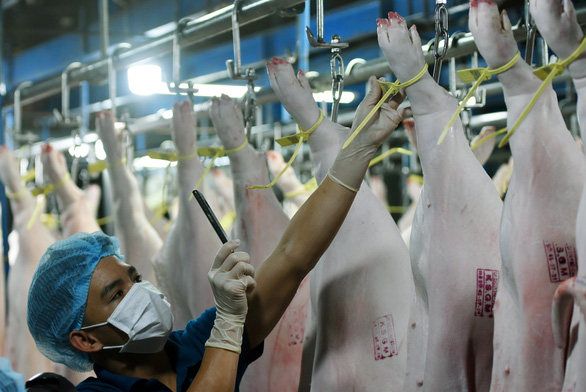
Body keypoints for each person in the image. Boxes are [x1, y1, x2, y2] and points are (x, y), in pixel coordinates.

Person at [26, 77, 407, 392]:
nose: (140, 292)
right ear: (86, 340)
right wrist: (227, 326)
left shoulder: (193, 345)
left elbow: (292, 256)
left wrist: (356, 151)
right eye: (117, 295)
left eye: (134, 278)